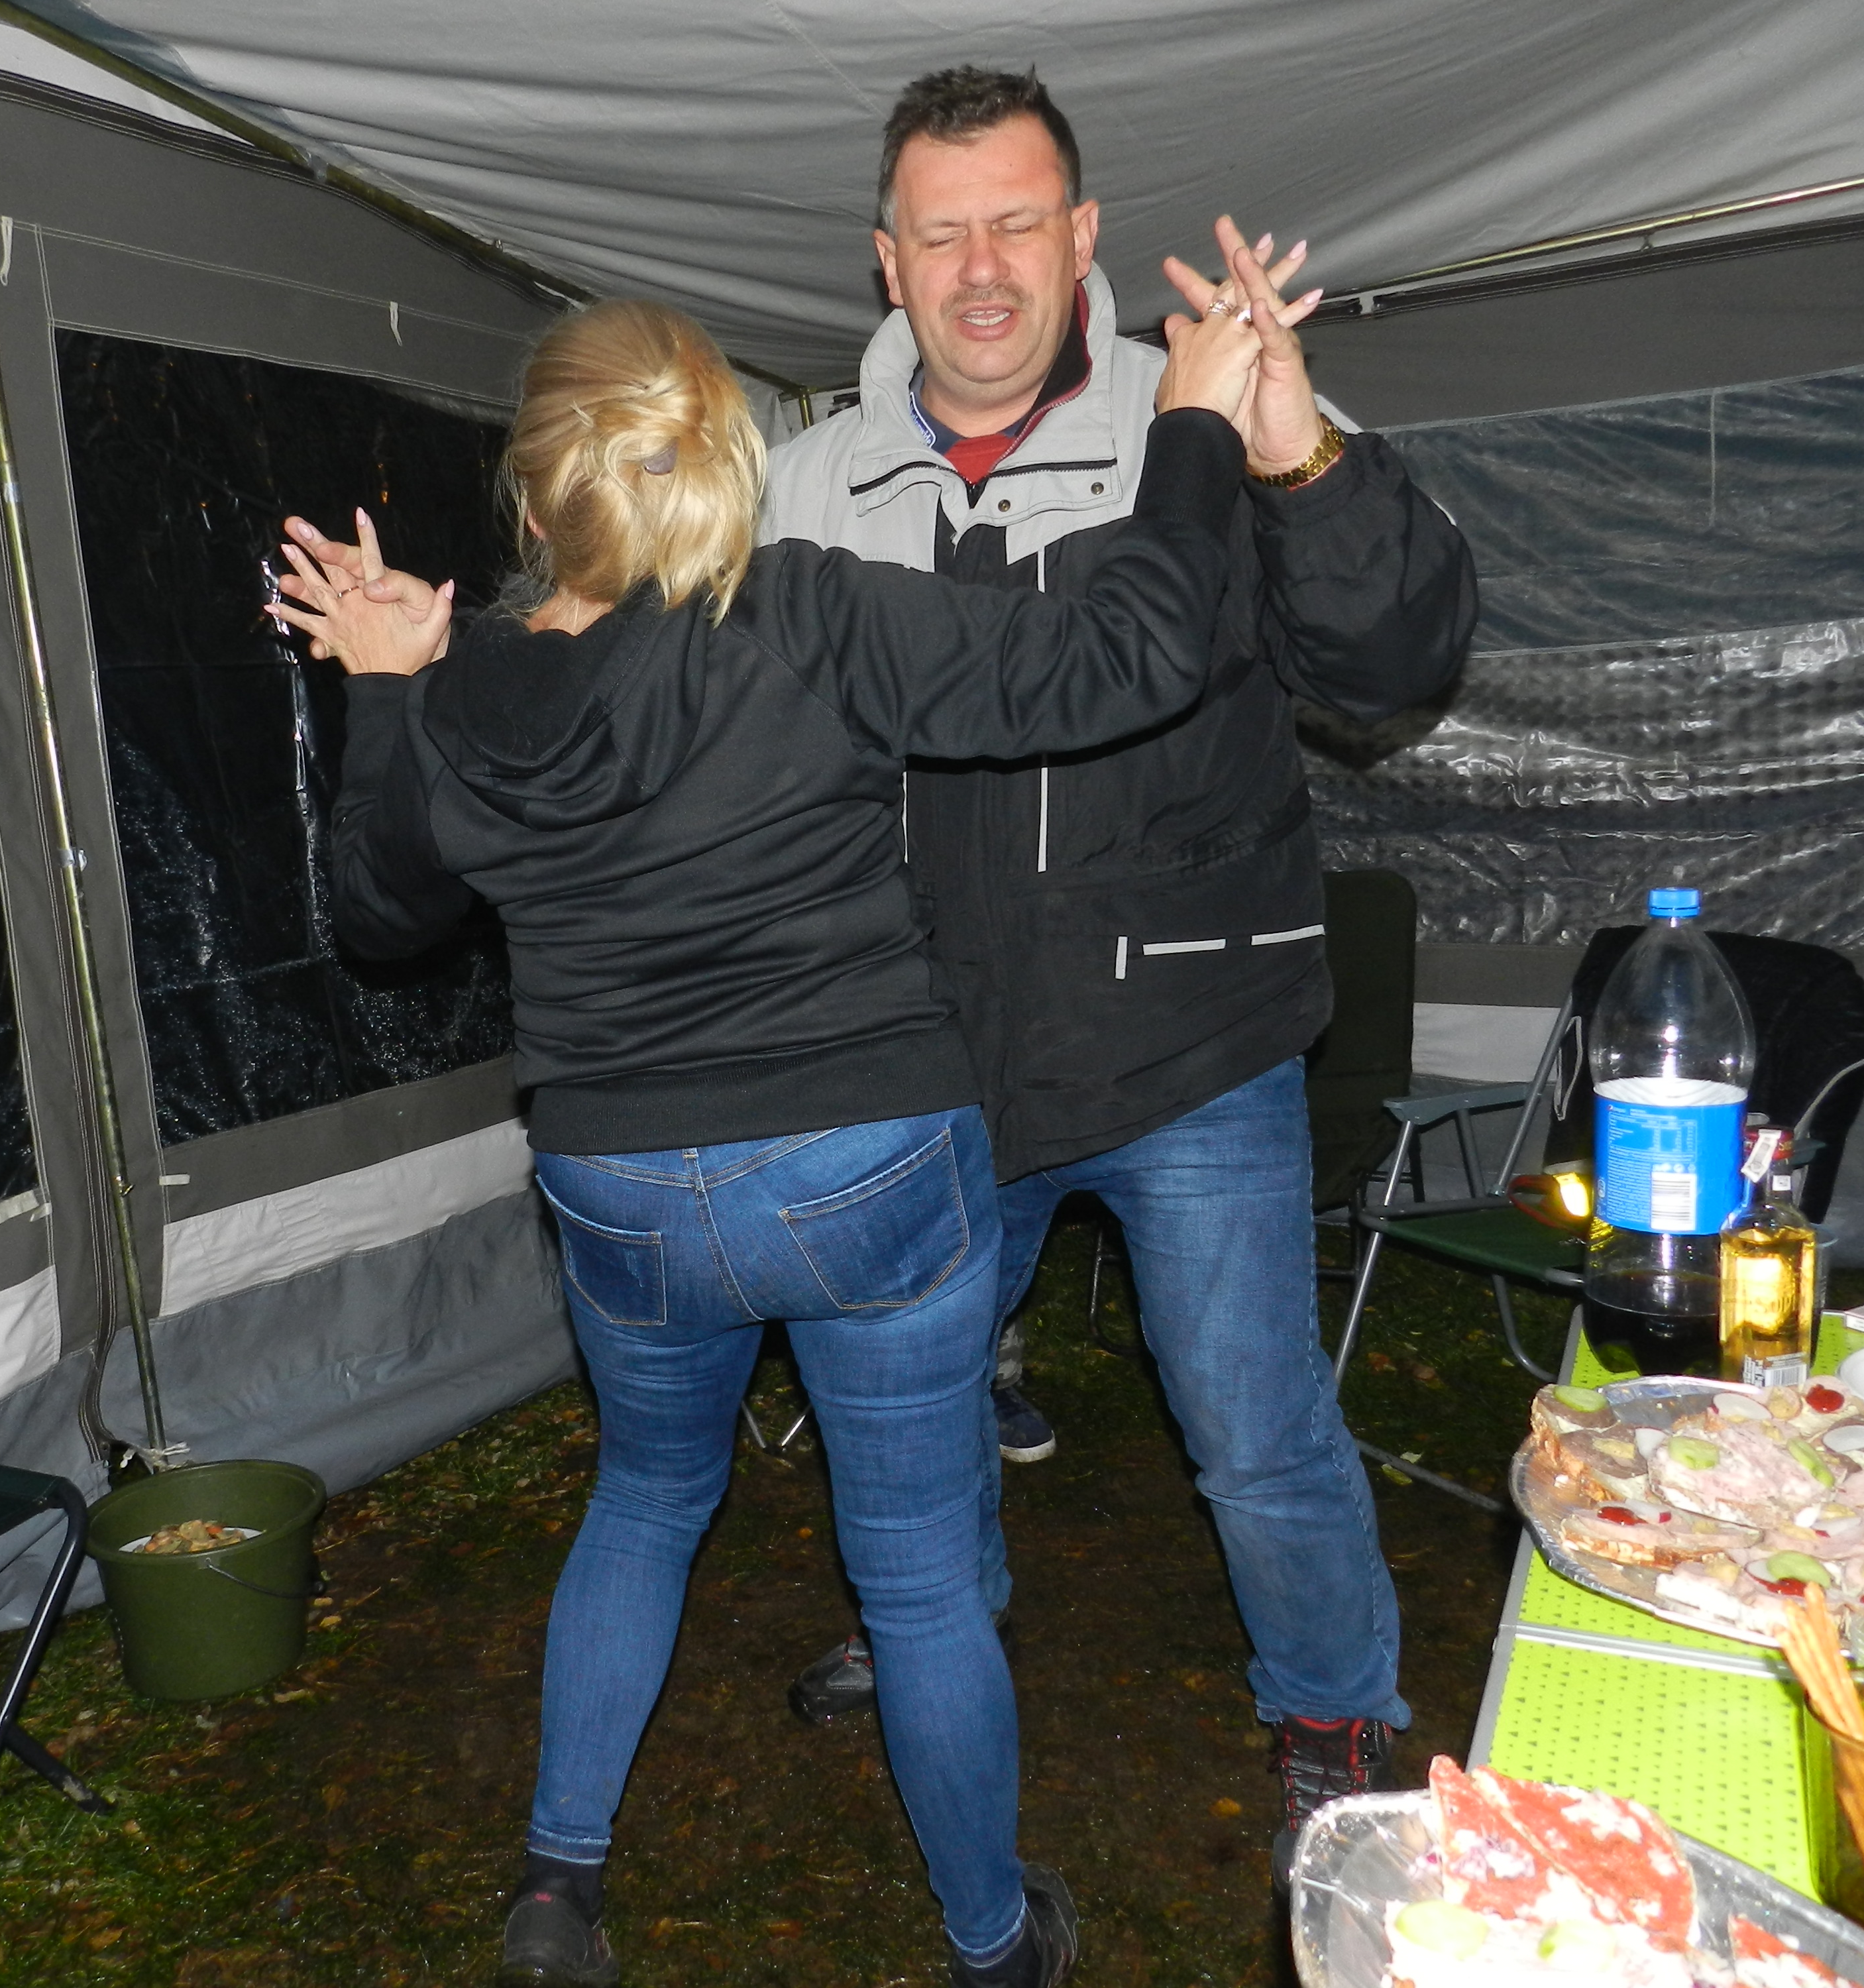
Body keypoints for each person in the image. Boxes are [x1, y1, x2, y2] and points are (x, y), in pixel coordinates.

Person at [268, 292, 1265, 1987]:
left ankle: (557, 1893)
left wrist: (385, 681)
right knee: (921, 1581)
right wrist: (1191, 428)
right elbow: (1132, 655)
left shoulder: (464, 690)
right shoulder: (804, 610)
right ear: (727, 465)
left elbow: (376, 916)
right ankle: (991, 1943)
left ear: (532, 494)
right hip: (863, 1161)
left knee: (647, 1498)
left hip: (620, 1187)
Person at [757, 68, 1476, 1886]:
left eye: (1018, 223)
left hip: (1188, 1039)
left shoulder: (1207, 407)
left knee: (1253, 1426)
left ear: (1081, 235)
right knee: (908, 1408)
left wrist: (1298, 456)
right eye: (941, 233)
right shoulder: (805, 482)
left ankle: (1333, 1706)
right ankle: (933, 1619)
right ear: (885, 257)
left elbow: (1393, 666)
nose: (981, 268)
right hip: (925, 1050)